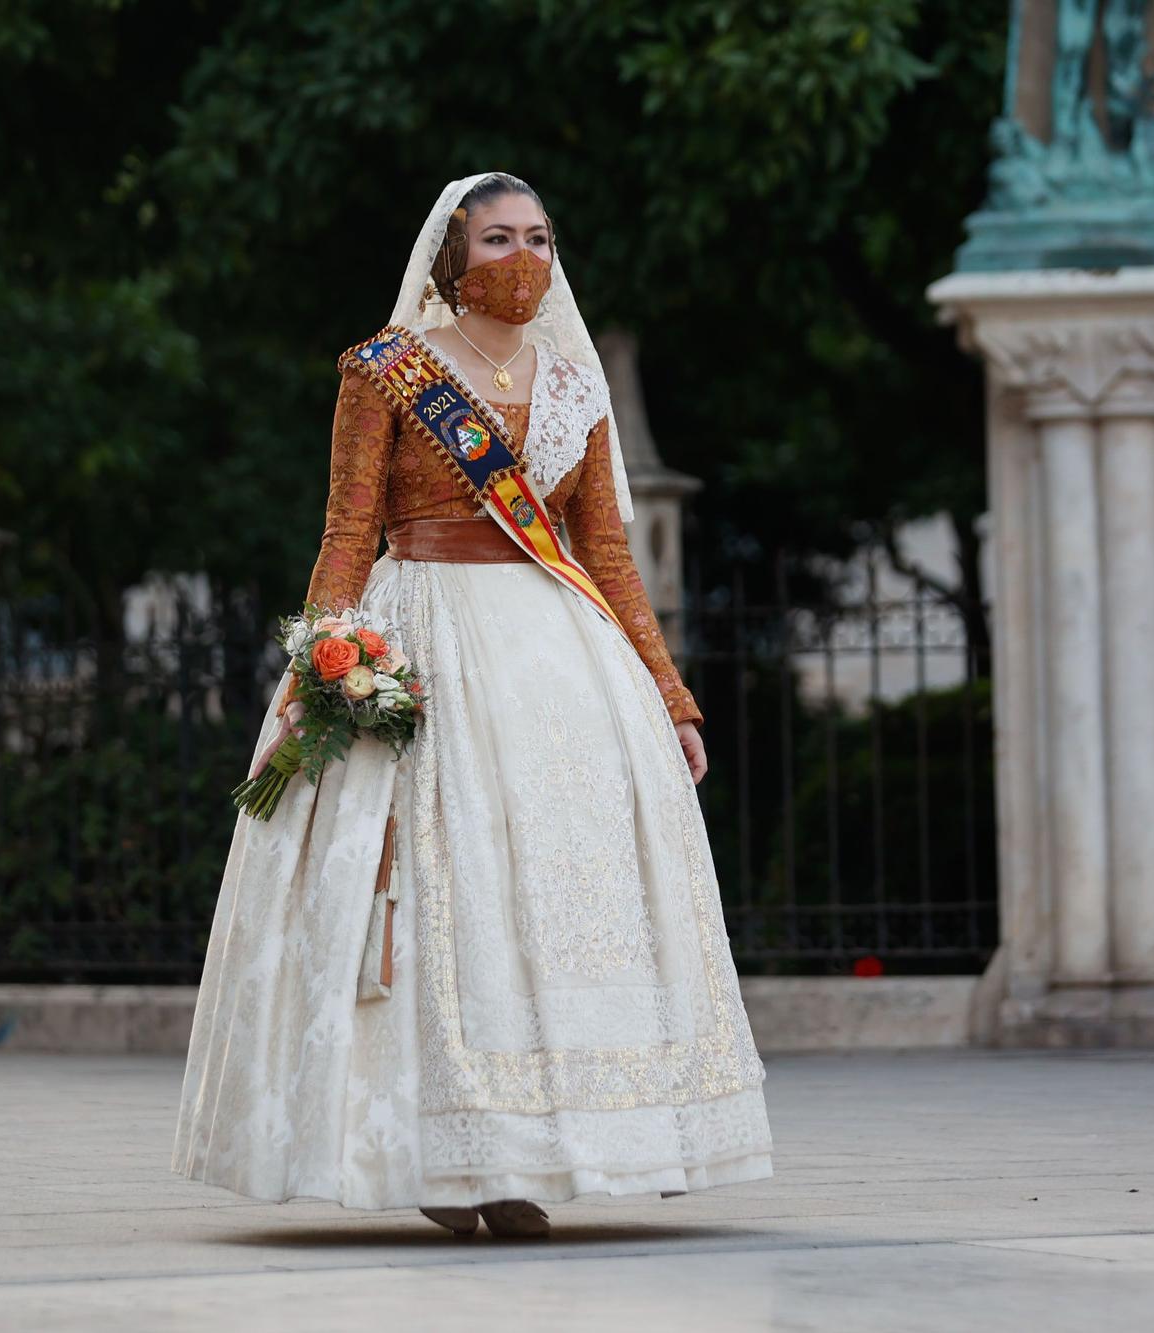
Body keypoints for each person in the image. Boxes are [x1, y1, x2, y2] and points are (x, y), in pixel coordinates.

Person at [171, 172, 772, 1239]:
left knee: (555, 887)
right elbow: (346, 531)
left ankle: (556, 1141)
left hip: (560, 651)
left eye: (537, 236)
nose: (521, 257)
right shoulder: (386, 371)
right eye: (497, 238)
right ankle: (443, 1153)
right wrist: (323, 659)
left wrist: (669, 696)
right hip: (426, 633)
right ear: (450, 257)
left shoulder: (574, 386)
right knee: (447, 887)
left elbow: (608, 559)